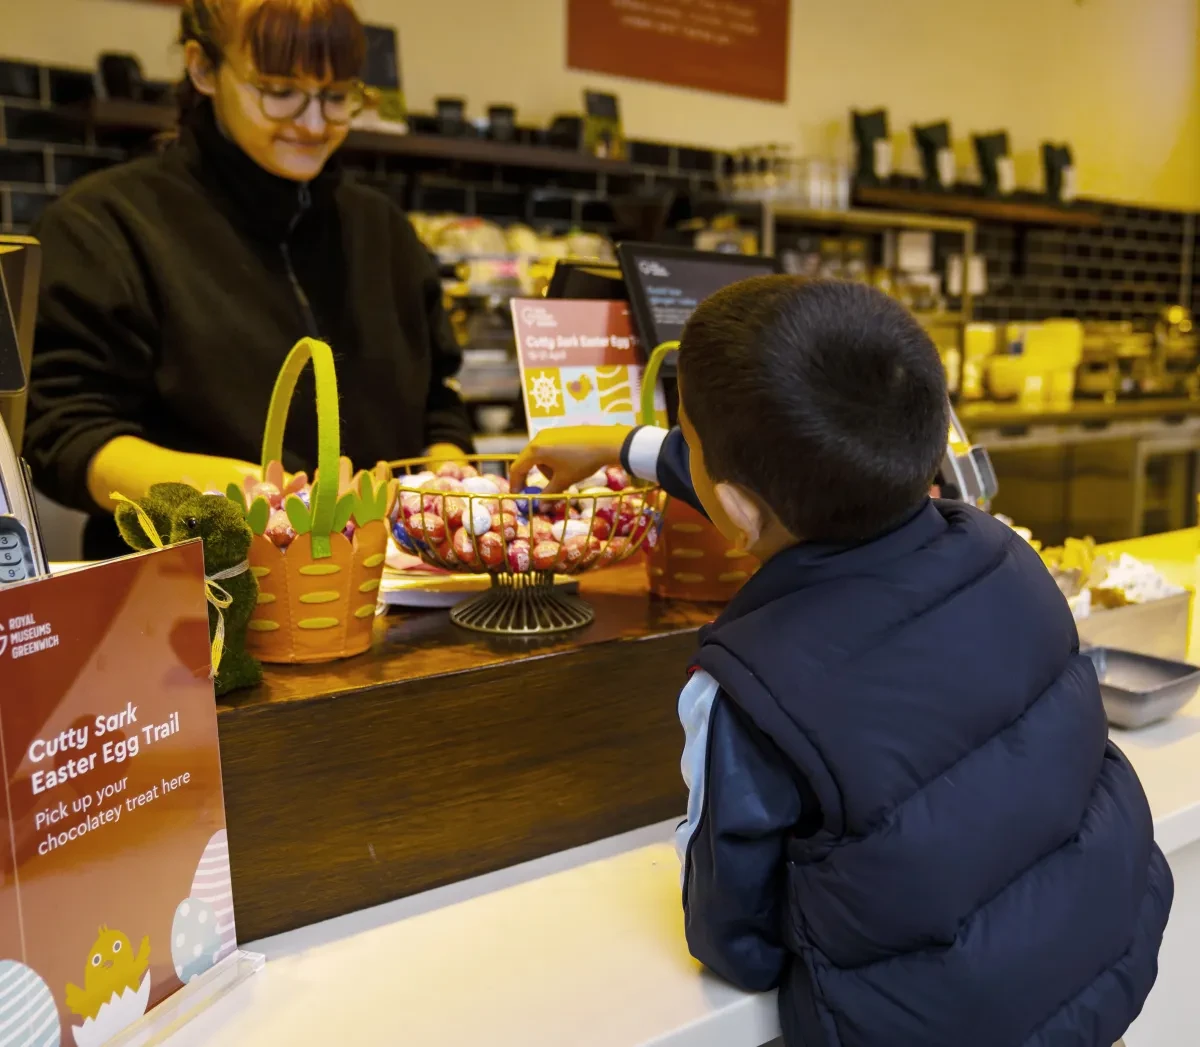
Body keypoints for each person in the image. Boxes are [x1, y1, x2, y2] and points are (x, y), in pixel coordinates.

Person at [510, 277, 1171, 1047]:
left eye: (682, 433)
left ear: (740, 506)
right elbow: (777, 489)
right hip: (1093, 985)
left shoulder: (748, 691)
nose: (680, 446)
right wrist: (625, 449)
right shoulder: (1004, 554)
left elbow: (737, 943)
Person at [26, 0, 472, 560]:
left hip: (394, 597)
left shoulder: (382, 230)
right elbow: (66, 436)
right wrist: (249, 500)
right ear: (203, 68)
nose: (314, 124)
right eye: (279, 90)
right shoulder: (103, 224)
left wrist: (448, 485)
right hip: (193, 607)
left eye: (337, 97)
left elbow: (438, 402)